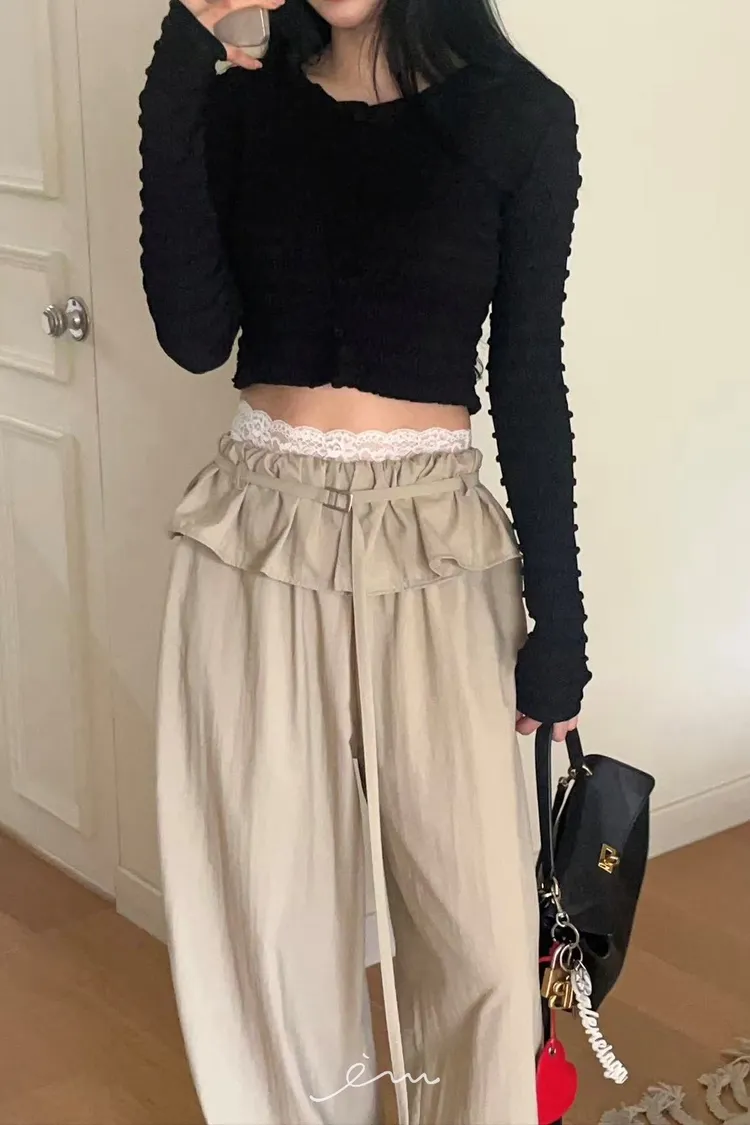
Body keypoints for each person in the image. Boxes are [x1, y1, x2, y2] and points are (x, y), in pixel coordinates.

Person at [139, 0, 591, 1122]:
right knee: (271, 928)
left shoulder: (521, 116)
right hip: (256, 541)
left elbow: (528, 377)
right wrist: (181, 59)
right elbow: (194, 337)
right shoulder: (244, 108)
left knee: (481, 942)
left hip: (436, 545)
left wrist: (562, 624)